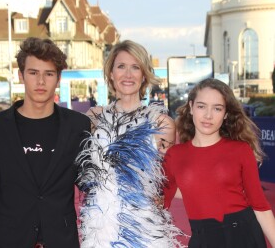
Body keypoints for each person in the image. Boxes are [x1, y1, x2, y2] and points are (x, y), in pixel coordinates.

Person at [0, 37, 91, 248]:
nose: (40, 82)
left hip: (61, 241)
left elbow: (92, 184)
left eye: (48, 74)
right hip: (8, 241)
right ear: (21, 76)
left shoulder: (78, 125)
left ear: (58, 78)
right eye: (33, 73)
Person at [75, 40, 183, 247]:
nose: (128, 74)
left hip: (146, 227)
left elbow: (168, 179)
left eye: (135, 67)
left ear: (144, 75)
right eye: (121, 66)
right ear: (111, 74)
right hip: (100, 228)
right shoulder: (93, 118)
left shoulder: (161, 123)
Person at [163, 78, 275, 248]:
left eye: (217, 108)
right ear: (191, 107)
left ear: (226, 114)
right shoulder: (175, 155)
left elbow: (260, 206)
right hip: (203, 239)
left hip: (244, 237)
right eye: (201, 106)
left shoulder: (240, 150)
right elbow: (160, 200)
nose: (208, 115)